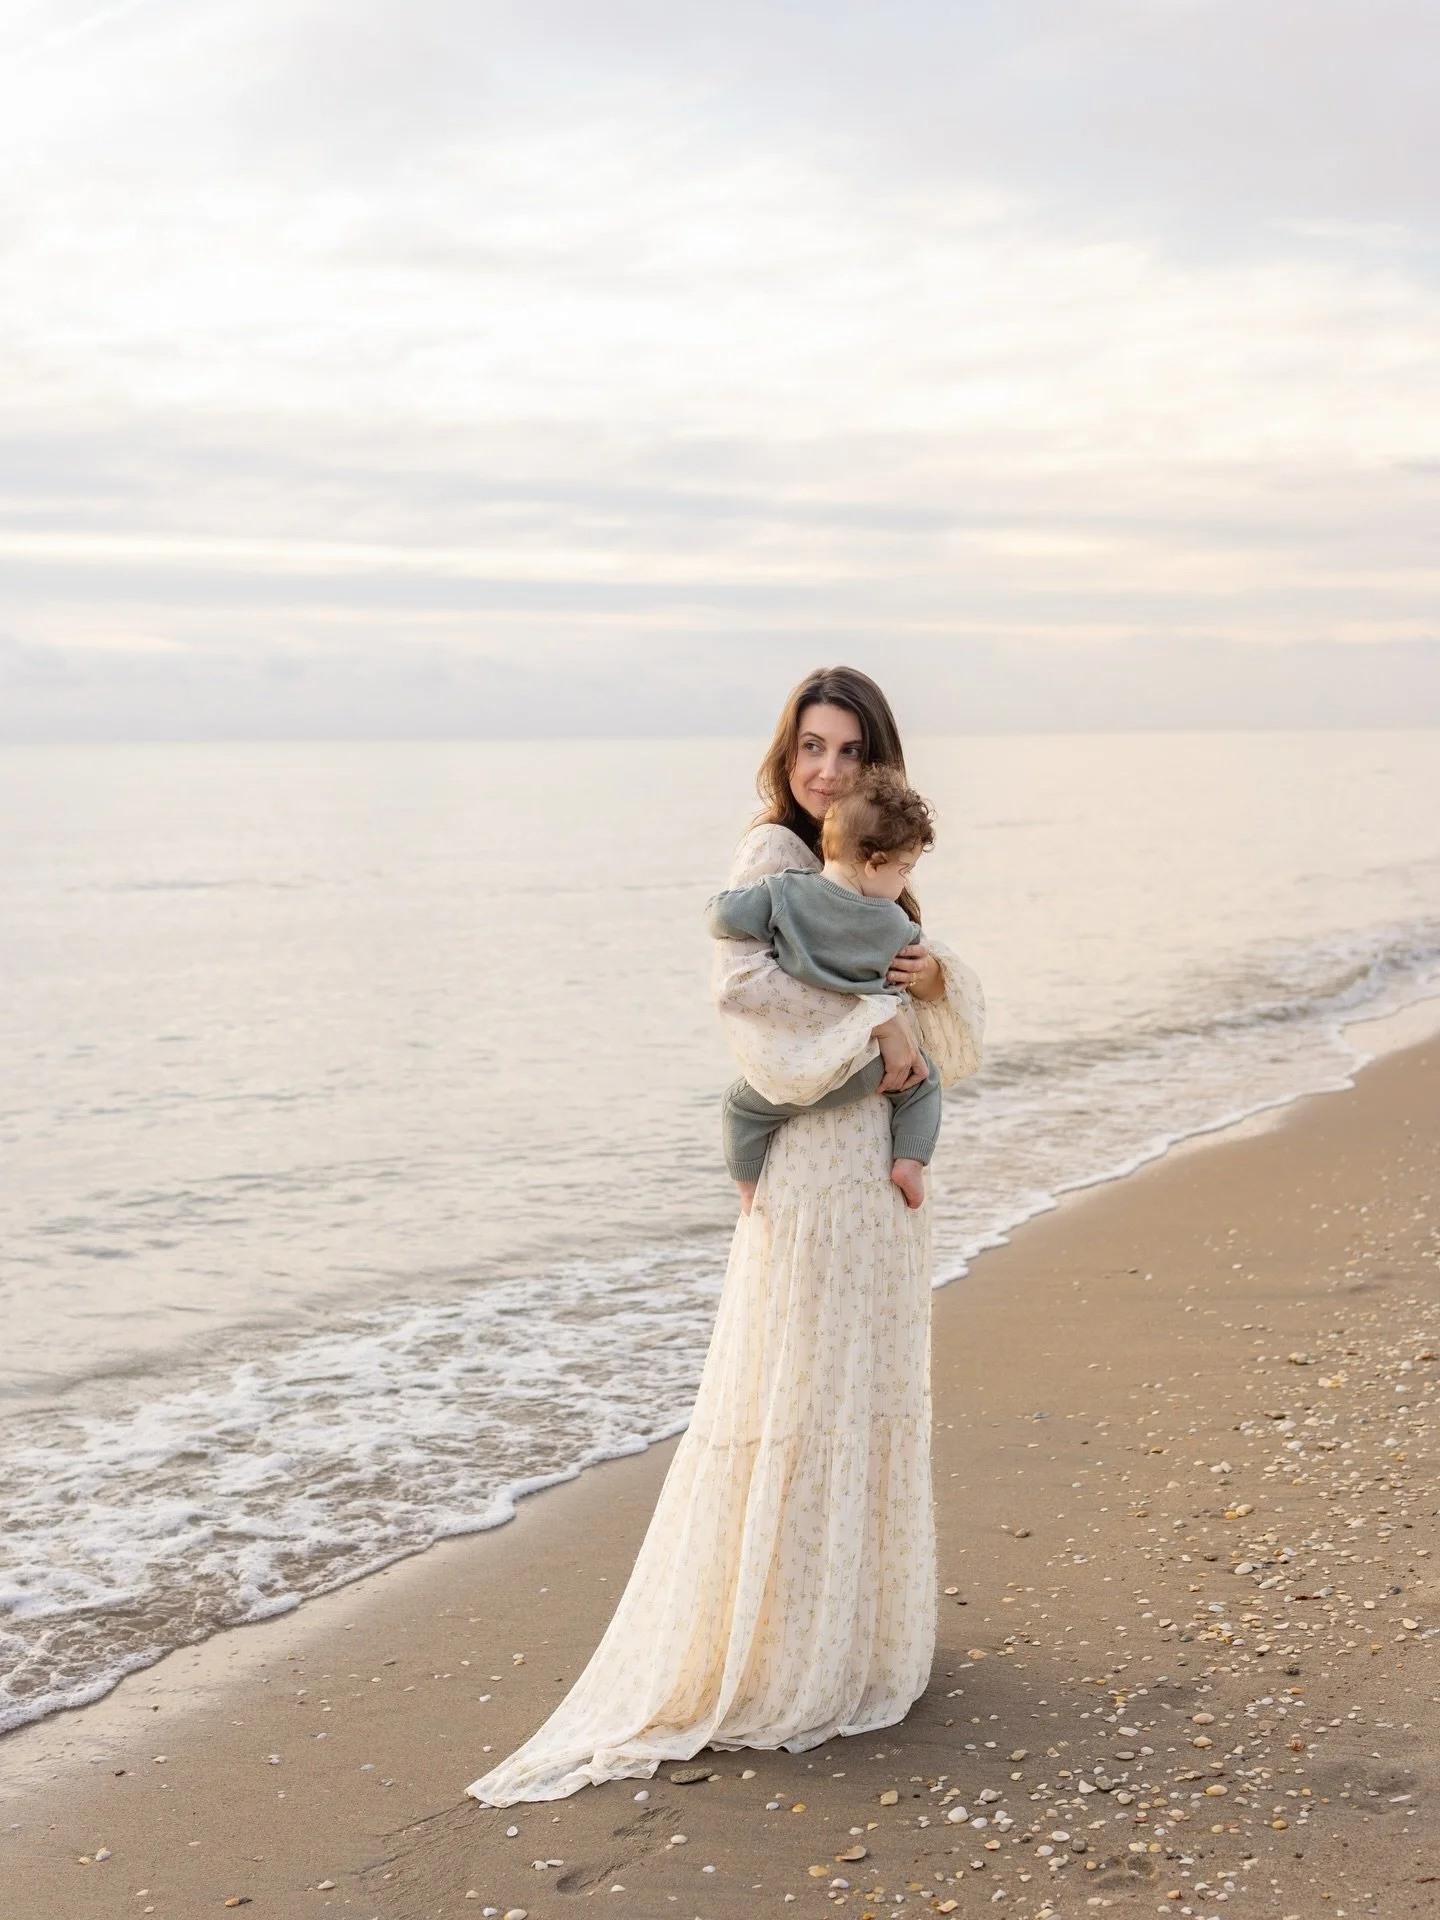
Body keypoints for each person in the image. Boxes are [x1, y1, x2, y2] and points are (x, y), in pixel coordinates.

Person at [466, 665, 984, 1807]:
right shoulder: (771, 858)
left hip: (877, 1168)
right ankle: (781, 1651)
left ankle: (852, 1639)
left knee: (861, 1386)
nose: (827, 771)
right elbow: (746, 1003)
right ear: (785, 754)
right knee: (800, 1390)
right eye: (811, 747)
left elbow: (933, 1009)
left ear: (880, 760)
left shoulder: (873, 855)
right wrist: (880, 1026)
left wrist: (932, 979)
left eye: (850, 750)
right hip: (815, 1159)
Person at [707, 764, 942, 1212]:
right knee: (924, 1081)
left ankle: (749, 1190)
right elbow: (909, 978)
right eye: (904, 870)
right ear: (874, 863)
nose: (902, 883)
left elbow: (721, 918)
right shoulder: (898, 925)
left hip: (796, 1068)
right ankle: (909, 1163)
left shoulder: (784, 893)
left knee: (740, 1108)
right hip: (869, 1067)